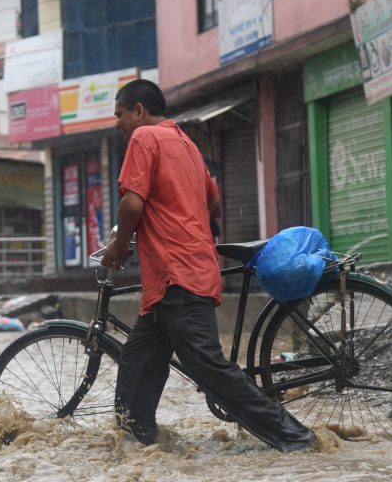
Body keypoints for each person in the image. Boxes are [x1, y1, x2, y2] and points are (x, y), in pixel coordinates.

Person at [101, 79, 314, 453]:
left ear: (139, 110)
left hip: (177, 274)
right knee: (137, 360)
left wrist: (118, 249)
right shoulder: (186, 144)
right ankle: (136, 445)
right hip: (177, 278)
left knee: (209, 369)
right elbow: (211, 203)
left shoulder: (144, 138)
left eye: (119, 115)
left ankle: (297, 437)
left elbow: (132, 205)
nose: (117, 123)